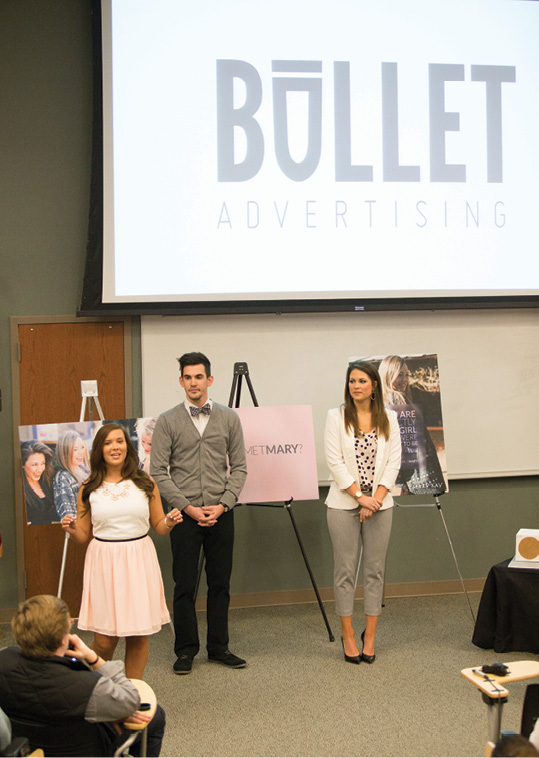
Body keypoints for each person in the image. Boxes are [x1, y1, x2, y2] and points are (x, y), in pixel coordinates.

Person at [150, 351, 248, 675]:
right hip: (183, 515)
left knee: (220, 583)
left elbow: (240, 468)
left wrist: (223, 504)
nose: (194, 383)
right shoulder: (167, 421)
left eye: (199, 376)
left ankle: (219, 647)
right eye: (187, 377)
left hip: (222, 512)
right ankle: (185, 650)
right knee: (185, 584)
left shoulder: (229, 418)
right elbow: (159, 471)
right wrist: (188, 508)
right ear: (181, 381)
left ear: (210, 379)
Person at [61, 423, 182, 679]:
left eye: (119, 441)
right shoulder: (88, 486)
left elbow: (158, 526)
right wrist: (72, 529)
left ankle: (132, 692)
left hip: (139, 560)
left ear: (127, 446)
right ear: (99, 450)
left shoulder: (145, 482)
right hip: (104, 562)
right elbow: (83, 535)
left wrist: (169, 522)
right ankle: (86, 685)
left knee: (138, 636)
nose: (114, 447)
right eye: (107, 443)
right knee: (105, 640)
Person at [0, 595, 165, 757]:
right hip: (90, 749)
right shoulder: (88, 687)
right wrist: (93, 658)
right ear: (64, 640)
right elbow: (131, 700)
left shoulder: (4, 659)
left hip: (29, 748)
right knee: (157, 716)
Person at [324, 360, 401, 665]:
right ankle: (347, 635)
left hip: (380, 505)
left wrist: (375, 500)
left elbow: (393, 462)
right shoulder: (336, 416)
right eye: (351, 381)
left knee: (375, 571)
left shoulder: (388, 418)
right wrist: (360, 498)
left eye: (362, 381)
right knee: (345, 571)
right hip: (343, 504)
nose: (355, 386)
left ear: (374, 386)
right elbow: (334, 461)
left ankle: (370, 635)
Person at [378, 355, 446, 496]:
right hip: (417, 475)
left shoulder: (385, 401)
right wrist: (400, 482)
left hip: (411, 474)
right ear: (388, 375)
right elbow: (401, 444)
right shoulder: (395, 399)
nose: (405, 380)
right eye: (400, 375)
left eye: (406, 375)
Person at [53, 429, 90, 519]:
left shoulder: (85, 470)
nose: (81, 452)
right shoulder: (62, 478)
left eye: (82, 447)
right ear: (65, 452)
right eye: (75, 449)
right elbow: (68, 514)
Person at [20, 440, 59, 525]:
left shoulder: (47, 481)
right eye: (34, 465)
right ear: (22, 464)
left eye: (43, 463)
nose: (40, 469)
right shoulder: (19, 490)